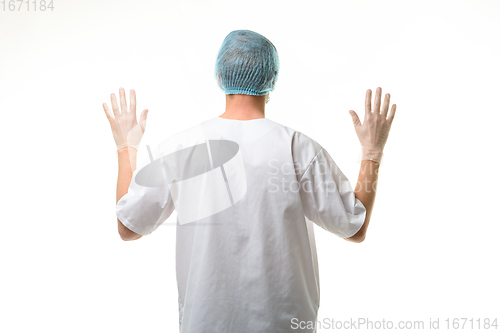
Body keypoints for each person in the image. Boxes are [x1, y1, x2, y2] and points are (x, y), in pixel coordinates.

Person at [103, 29, 396, 333]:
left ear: (219, 76)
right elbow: (354, 227)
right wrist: (372, 152)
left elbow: (128, 226)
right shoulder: (298, 148)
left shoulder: (182, 148)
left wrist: (126, 146)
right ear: (272, 79)